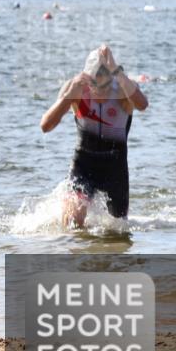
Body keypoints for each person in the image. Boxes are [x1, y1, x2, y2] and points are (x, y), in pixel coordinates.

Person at [40, 45, 148, 226]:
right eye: (93, 84)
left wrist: (118, 72)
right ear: (86, 78)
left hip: (115, 167)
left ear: (111, 79)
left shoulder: (123, 90)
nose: (98, 91)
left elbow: (143, 104)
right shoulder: (76, 89)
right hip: (84, 165)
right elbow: (46, 126)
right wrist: (68, 95)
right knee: (73, 221)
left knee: (118, 230)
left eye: (104, 85)